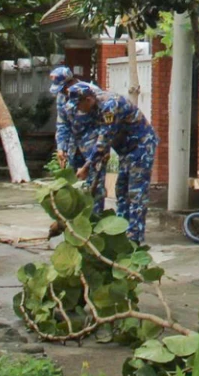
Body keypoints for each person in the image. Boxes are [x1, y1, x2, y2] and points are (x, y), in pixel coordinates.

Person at [68, 81, 159, 243]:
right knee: (121, 189)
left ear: (88, 100)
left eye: (79, 105)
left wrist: (86, 167)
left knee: (136, 192)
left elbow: (104, 139)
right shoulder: (94, 106)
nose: (78, 109)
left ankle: (135, 237)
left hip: (141, 146)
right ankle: (121, 231)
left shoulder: (109, 106)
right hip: (125, 149)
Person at [49, 66, 104, 210]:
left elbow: (104, 124)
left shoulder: (92, 93)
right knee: (73, 184)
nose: (61, 92)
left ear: (70, 83)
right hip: (74, 146)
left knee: (95, 184)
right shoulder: (61, 97)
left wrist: (101, 149)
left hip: (93, 145)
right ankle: (77, 217)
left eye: (62, 88)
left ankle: (95, 217)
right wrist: (61, 147)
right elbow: (62, 123)